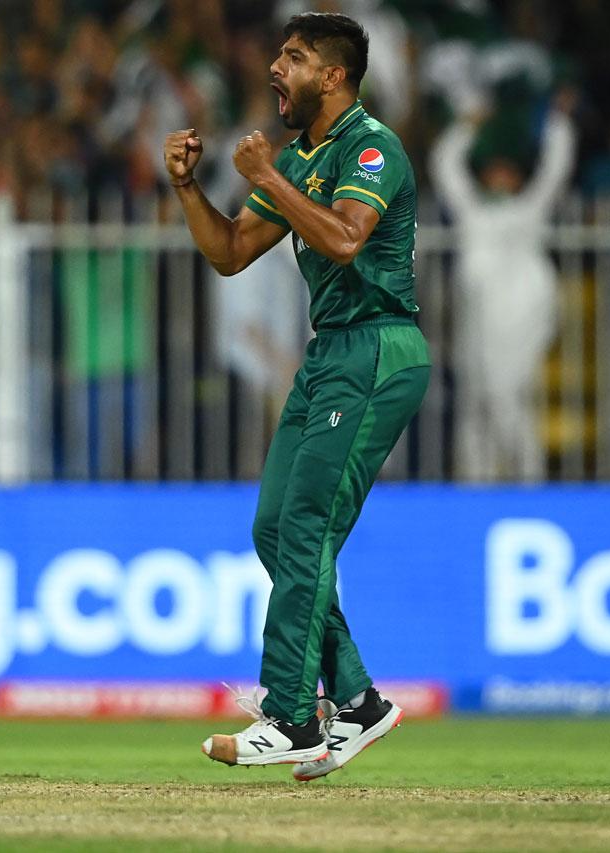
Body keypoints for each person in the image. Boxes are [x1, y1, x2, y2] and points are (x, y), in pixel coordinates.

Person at [164, 12, 429, 779]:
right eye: (279, 55)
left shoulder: (371, 147)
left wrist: (269, 178)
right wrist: (187, 188)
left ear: (334, 75)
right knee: (276, 529)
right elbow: (231, 252)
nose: (277, 67)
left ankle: (289, 714)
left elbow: (347, 239)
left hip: (379, 346)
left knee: (307, 527)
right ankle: (358, 702)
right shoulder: (303, 157)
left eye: (295, 57)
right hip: (331, 353)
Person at [430, 97, 576, 481]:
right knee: (473, 400)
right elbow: (445, 166)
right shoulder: (470, 210)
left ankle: (528, 480)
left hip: (520, 316)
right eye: (492, 171)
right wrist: (467, 126)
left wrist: (556, 121)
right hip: (474, 313)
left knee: (506, 395)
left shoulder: (531, 208)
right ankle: (473, 484)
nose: (499, 178)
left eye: (507, 172)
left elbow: (556, 168)